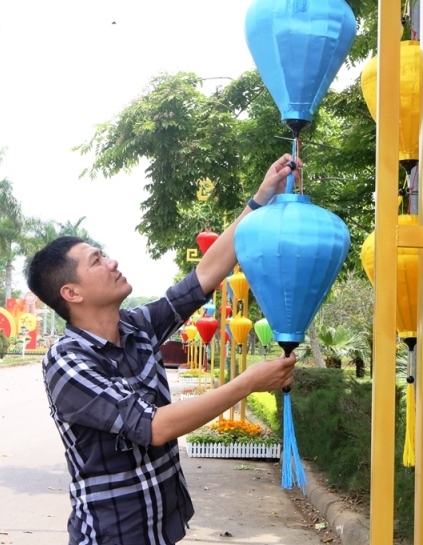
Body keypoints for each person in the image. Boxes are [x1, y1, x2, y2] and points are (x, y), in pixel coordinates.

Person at [26, 155, 299, 545]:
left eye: (104, 253)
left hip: (161, 529)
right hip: (112, 535)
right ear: (72, 293)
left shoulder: (136, 327)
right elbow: (154, 426)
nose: (112, 261)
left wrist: (259, 201)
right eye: (97, 261)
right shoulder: (67, 361)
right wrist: (247, 383)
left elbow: (203, 276)